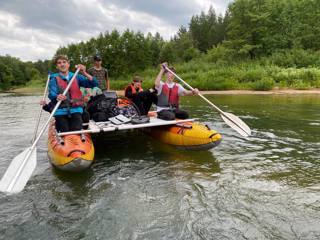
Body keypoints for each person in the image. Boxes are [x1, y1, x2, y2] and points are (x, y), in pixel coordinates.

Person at [48, 55, 98, 133]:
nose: (62, 64)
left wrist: (84, 73)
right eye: (59, 63)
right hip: (60, 110)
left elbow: (94, 83)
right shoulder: (54, 79)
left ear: (68, 64)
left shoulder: (77, 76)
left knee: (76, 128)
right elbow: (51, 93)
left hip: (76, 109)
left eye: (64, 62)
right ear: (57, 66)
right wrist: (57, 96)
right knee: (64, 129)